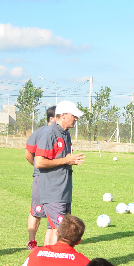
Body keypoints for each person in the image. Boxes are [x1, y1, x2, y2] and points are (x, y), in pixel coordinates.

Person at [34, 100, 86, 246]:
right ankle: (52, 262)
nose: (76, 119)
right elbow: (39, 162)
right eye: (74, 115)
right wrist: (65, 160)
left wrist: (70, 161)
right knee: (60, 231)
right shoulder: (49, 133)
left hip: (64, 191)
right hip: (53, 191)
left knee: (53, 229)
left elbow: (64, 159)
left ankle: (47, 260)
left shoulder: (66, 134)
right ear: (63, 115)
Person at [24, 105, 56, 250]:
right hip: (41, 178)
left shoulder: (62, 133)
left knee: (52, 213)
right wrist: (38, 167)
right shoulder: (39, 133)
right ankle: (32, 242)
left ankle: (48, 245)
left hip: (56, 180)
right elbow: (28, 154)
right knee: (36, 210)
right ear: (52, 118)